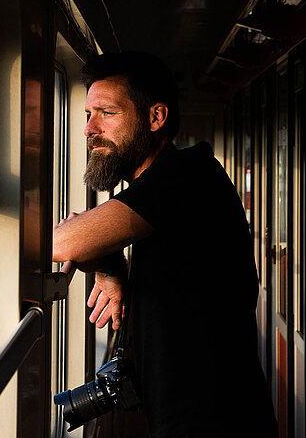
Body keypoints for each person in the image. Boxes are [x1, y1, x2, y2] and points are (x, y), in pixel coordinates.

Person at [53, 51, 277, 438]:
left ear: (156, 117)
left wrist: (93, 249)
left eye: (106, 113)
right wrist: (109, 267)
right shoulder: (160, 186)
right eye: (87, 115)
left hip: (217, 422)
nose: (90, 128)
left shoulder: (183, 177)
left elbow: (63, 243)